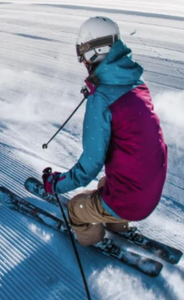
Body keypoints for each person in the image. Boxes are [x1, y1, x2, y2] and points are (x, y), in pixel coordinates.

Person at [42, 16, 167, 247]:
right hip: (150, 190)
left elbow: (89, 166)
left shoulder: (102, 100)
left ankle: (93, 241)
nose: (83, 62)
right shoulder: (137, 83)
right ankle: (117, 222)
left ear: (93, 53)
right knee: (104, 184)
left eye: (83, 56)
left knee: (76, 208)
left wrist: (55, 184)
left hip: (132, 201)